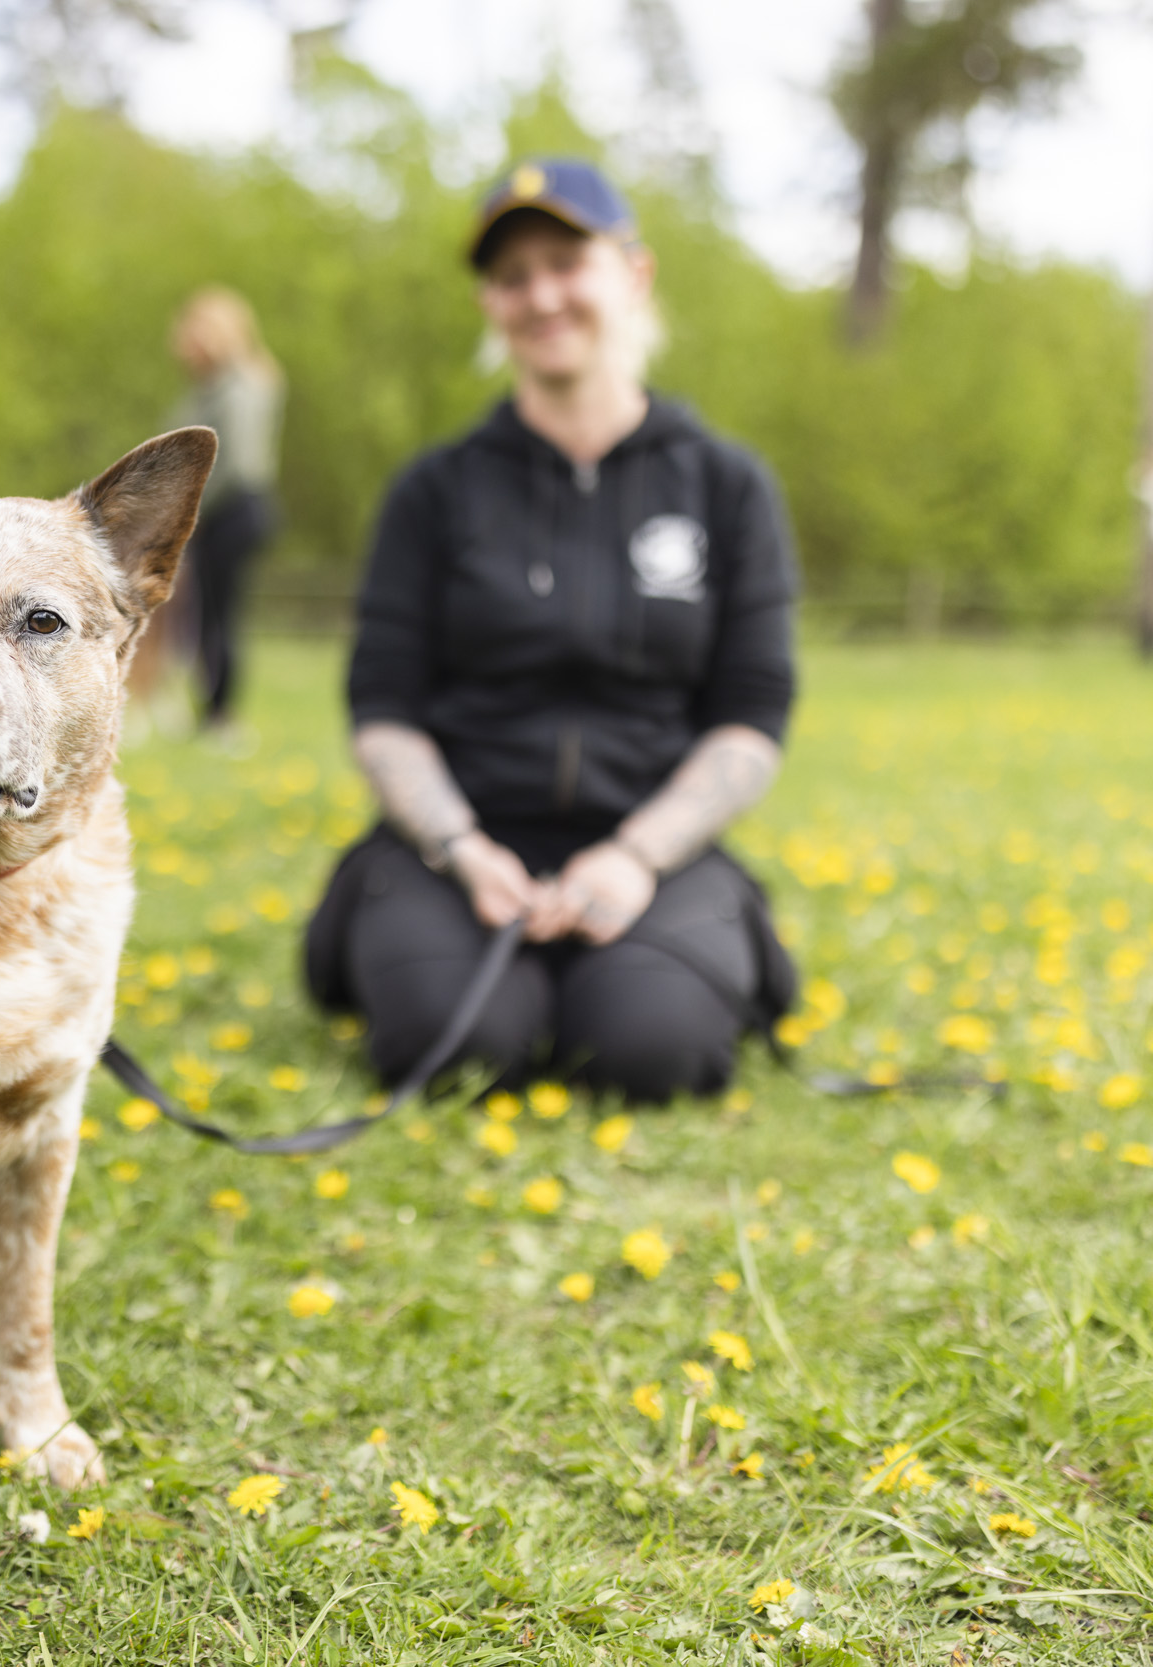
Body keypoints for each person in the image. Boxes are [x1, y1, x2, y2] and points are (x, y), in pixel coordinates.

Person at [305, 159, 798, 1104]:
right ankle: (404, 931)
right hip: (458, 845)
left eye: (567, 262)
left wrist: (637, 854)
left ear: (634, 273)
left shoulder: (728, 487)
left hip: (653, 842)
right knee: (457, 1049)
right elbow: (384, 706)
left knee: (654, 1052)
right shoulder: (434, 490)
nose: (541, 296)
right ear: (491, 301)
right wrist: (461, 847)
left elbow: (752, 713)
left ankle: (677, 949)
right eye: (511, 275)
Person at [144, 287, 283, 740]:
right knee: (203, 615)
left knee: (218, 616)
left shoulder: (242, 386)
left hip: (230, 510)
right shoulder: (213, 386)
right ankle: (208, 713)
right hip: (218, 509)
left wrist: (184, 513)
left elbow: (233, 462)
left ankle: (221, 718)